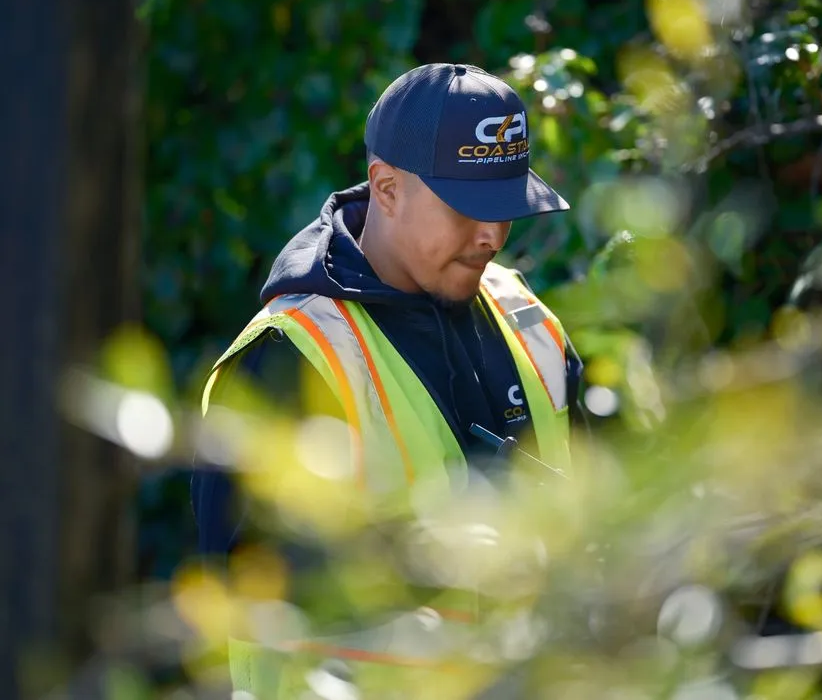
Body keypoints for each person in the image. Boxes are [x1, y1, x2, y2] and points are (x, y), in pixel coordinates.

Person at [191, 62, 586, 698]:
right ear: (387, 187)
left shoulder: (528, 319)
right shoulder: (289, 355)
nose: (491, 236)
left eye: (506, 208)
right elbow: (252, 591)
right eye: (468, 208)